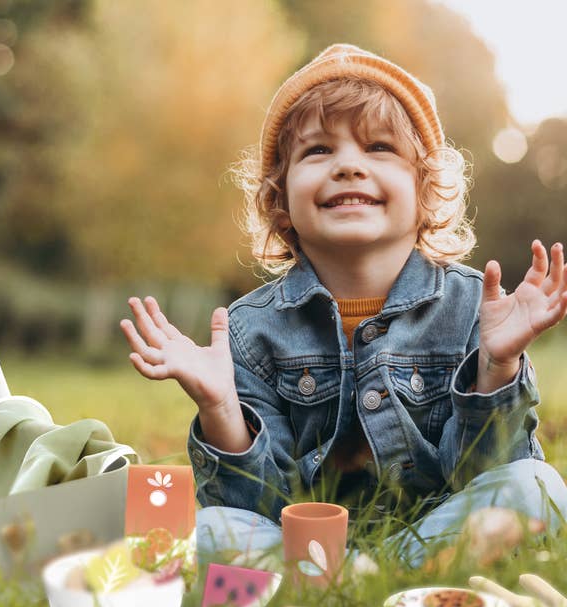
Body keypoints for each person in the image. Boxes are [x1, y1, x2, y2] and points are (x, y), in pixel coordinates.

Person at [120, 44, 567, 567]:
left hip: (436, 535)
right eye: (318, 151)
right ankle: (344, 577)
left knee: (537, 487)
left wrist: (497, 368)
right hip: (302, 550)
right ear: (279, 198)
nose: (349, 166)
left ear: (425, 189)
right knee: (212, 528)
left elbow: (484, 476)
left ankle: (371, 576)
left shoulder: (473, 308)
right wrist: (221, 410)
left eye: (378, 147)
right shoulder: (249, 331)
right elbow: (256, 506)